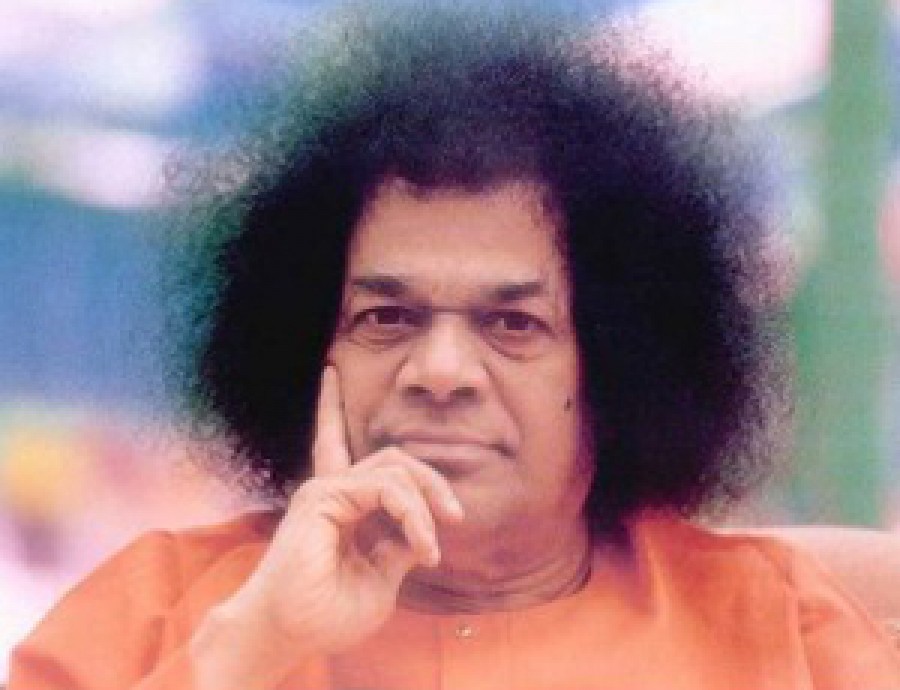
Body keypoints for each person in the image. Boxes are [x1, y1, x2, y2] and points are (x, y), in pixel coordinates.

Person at [9, 5, 900, 689]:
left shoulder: (779, 628)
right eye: (386, 319)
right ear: (309, 351)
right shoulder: (157, 611)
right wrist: (253, 646)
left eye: (513, 326)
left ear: (619, 370)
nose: (439, 373)